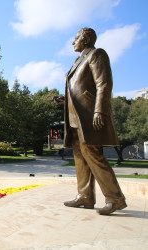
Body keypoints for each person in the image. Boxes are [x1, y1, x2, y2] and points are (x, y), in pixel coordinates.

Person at [54, 27, 126, 215]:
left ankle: (115, 199)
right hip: (74, 117)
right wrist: (64, 98)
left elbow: (104, 83)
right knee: (80, 156)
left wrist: (99, 111)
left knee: (93, 155)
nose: (73, 42)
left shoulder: (96, 54)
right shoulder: (78, 60)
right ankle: (85, 196)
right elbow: (79, 89)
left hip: (88, 116)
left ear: (85, 40)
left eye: (76, 38)